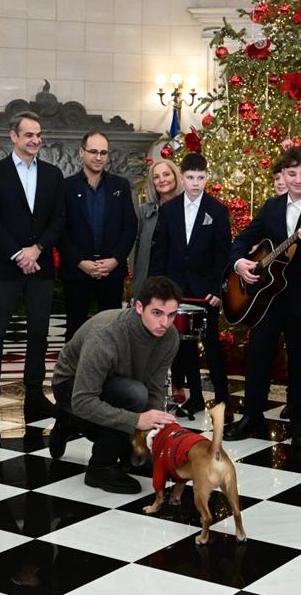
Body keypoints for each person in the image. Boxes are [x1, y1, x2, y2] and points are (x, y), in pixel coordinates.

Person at [224, 146, 301, 447]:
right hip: (267, 299)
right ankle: (252, 415)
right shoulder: (272, 206)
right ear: (283, 175)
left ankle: (299, 424)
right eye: (292, 173)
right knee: (258, 354)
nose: (299, 179)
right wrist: (240, 263)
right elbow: (243, 240)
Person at [49, 276, 181, 493]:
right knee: (134, 395)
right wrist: (137, 420)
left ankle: (71, 423)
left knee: (138, 397)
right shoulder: (106, 334)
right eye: (157, 313)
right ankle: (100, 468)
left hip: (117, 384)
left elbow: (156, 388)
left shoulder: (170, 337)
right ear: (139, 307)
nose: (164, 323)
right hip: (71, 387)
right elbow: (83, 401)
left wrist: (148, 436)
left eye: (171, 315)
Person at [0, 111, 65, 422]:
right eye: (29, 135)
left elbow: (59, 218)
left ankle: (34, 394)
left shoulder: (54, 175)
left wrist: (37, 249)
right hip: (5, 266)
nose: (35, 140)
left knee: (39, 332)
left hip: (40, 267)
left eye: (38, 135)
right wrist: (18, 253)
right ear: (13, 136)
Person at [149, 152, 232, 416]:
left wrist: (219, 289)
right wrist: (159, 289)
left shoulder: (217, 210)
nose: (195, 183)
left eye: (200, 177)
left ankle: (222, 400)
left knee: (212, 345)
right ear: (182, 178)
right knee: (183, 347)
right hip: (175, 289)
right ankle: (195, 396)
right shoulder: (169, 209)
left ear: (207, 178)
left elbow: (224, 254)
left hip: (206, 291)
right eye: (190, 177)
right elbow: (160, 251)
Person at [60, 131, 137, 341]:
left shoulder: (120, 185)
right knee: (75, 330)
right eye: (93, 151)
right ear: (81, 152)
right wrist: (79, 261)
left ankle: (109, 374)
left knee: (111, 331)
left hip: (111, 271)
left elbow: (130, 227)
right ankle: (74, 373)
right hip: (77, 271)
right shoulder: (66, 186)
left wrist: (114, 260)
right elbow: (60, 230)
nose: (98, 157)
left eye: (103, 152)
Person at [132, 158, 182, 299]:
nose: (162, 180)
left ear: (176, 176)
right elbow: (136, 249)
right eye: (156, 177)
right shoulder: (144, 211)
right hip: (150, 280)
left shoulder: (187, 209)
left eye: (166, 174)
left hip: (177, 281)